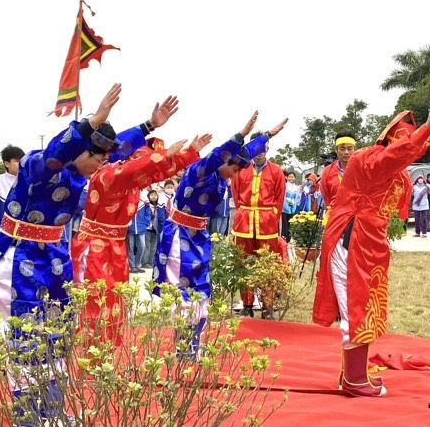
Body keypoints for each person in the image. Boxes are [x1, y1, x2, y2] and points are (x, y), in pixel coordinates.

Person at [0, 84, 179, 427]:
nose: (102, 165)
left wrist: (148, 126)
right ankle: (27, 415)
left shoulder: (80, 172)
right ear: (81, 151)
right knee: (27, 338)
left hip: (55, 258)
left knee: (57, 336)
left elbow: (118, 150)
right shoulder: (39, 167)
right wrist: (92, 121)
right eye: (97, 159)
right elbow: (59, 150)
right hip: (21, 258)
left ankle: (52, 409)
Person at [312, 96, 430, 397]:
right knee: (356, 307)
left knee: (365, 305)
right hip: (351, 238)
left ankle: (352, 374)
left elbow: (401, 155)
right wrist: (427, 130)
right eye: (403, 141)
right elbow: (396, 156)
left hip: (366, 240)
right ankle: (354, 380)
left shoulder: (386, 161)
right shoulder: (368, 159)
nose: (406, 148)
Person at [72, 133, 206, 341]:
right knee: (93, 303)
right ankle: (88, 354)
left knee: (115, 302)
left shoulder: (132, 181)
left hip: (115, 247)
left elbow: (155, 173)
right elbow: (140, 170)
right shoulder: (110, 174)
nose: (149, 173)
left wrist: (188, 154)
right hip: (94, 248)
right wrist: (165, 156)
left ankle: (107, 351)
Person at [152, 113, 266, 356]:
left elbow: (241, 154)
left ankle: (193, 348)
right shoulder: (199, 172)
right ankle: (183, 351)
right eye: (233, 168)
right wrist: (241, 134)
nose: (235, 174)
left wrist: (266, 136)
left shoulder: (221, 177)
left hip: (200, 237)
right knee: (182, 295)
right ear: (224, 161)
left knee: (202, 293)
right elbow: (218, 155)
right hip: (179, 237)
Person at [230, 119, 290, 315]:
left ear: (267, 147)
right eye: (256, 148)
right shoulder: (241, 169)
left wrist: (272, 215)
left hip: (267, 224)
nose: (260, 152)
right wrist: (243, 211)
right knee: (243, 262)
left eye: (263, 147)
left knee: (267, 263)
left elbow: (279, 198)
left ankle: (267, 306)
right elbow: (236, 194)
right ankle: (247, 305)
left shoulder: (277, 171)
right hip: (244, 223)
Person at [319, 133, 356, 223]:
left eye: (349, 148)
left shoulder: (363, 168)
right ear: (336, 150)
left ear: (355, 149)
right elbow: (326, 197)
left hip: (358, 220)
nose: (346, 152)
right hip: (335, 219)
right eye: (342, 149)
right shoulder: (327, 172)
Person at [281, 171, 303, 241]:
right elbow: (282, 195)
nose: (291, 178)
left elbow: (298, 197)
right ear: (287, 178)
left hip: (292, 207)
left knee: (290, 222)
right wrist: (286, 200)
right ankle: (283, 237)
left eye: (292, 177)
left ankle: (289, 238)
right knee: (284, 223)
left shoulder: (296, 187)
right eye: (289, 177)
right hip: (284, 207)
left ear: (295, 178)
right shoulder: (284, 185)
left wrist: (294, 202)